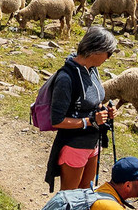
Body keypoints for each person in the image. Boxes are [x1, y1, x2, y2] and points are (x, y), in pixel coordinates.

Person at [43, 26, 116, 192]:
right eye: (108, 53)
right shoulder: (65, 78)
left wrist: (105, 111)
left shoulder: (92, 71)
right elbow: (57, 120)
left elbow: (94, 102)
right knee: (69, 197)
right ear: (96, 50)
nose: (108, 57)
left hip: (93, 143)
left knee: (86, 193)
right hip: (74, 146)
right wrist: (89, 121)